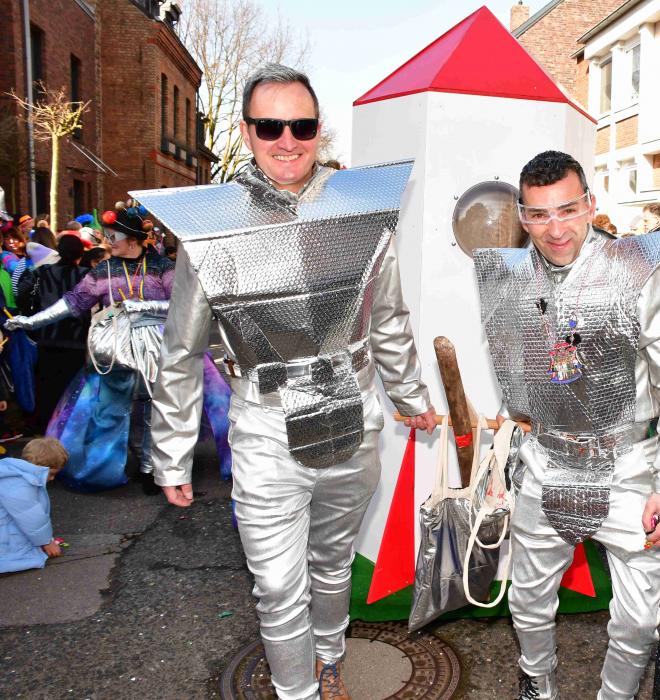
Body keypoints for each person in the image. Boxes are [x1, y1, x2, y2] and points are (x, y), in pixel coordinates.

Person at [141, 64, 436, 700]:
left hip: (353, 417)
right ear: (247, 131)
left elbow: (387, 318)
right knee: (277, 584)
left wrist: (410, 396)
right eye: (271, 125)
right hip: (265, 427)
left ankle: (329, 658)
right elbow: (182, 348)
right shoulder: (211, 224)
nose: (287, 140)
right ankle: (295, 691)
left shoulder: (361, 207)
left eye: (300, 126)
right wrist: (171, 453)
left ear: (317, 129)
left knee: (332, 562)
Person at [474, 150, 660, 700]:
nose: (556, 229)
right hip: (546, 462)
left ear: (590, 204)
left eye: (568, 210)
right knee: (528, 599)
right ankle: (537, 681)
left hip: (629, 468)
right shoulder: (508, 278)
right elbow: (520, 372)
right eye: (539, 214)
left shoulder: (638, 274)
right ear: (522, 217)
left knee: (639, 620)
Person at [5, 208, 232, 494]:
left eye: (114, 237)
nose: (109, 241)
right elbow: (72, 302)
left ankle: (151, 468)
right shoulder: (103, 270)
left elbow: (184, 304)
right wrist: (31, 321)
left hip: (161, 346)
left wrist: (144, 306)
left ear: (133, 240)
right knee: (110, 411)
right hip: (115, 350)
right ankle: (116, 464)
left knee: (159, 407)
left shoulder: (161, 266)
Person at [20, 234, 90, 433]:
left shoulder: (43, 272)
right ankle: (67, 427)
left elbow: (22, 293)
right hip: (76, 338)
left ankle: (45, 425)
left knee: (47, 385)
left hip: (47, 336)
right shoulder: (86, 275)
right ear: (80, 253)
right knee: (72, 387)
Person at [0, 437, 67, 573]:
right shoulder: (19, 484)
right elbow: (31, 518)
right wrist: (46, 542)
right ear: (40, 468)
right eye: (51, 474)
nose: (52, 478)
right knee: (15, 554)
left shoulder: (14, 474)